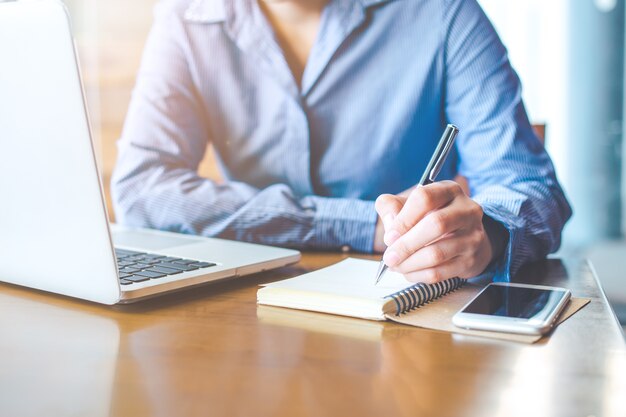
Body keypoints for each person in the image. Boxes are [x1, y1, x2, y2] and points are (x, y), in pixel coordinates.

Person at [112, 0, 572, 283]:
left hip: (409, 306)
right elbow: (143, 188)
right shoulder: (186, 19)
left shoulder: (444, 13)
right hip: (249, 307)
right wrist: (362, 224)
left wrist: (484, 235)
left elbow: (530, 187)